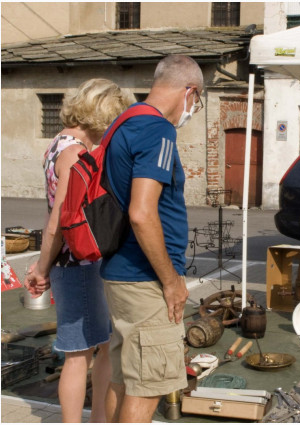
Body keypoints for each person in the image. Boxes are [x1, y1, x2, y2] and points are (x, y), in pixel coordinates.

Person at [24, 78, 134, 422]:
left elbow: (53, 211)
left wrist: (44, 263)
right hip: (77, 264)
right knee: (77, 355)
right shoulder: (76, 154)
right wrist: (42, 268)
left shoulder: (58, 144)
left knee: (99, 347)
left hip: (74, 263)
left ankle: (99, 417)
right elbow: (59, 220)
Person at [100, 54, 203, 422]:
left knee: (123, 380)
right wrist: (171, 281)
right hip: (145, 280)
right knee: (149, 386)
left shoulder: (123, 122)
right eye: (197, 100)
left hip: (119, 271)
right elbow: (142, 214)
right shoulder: (157, 129)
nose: (192, 109)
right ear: (189, 92)